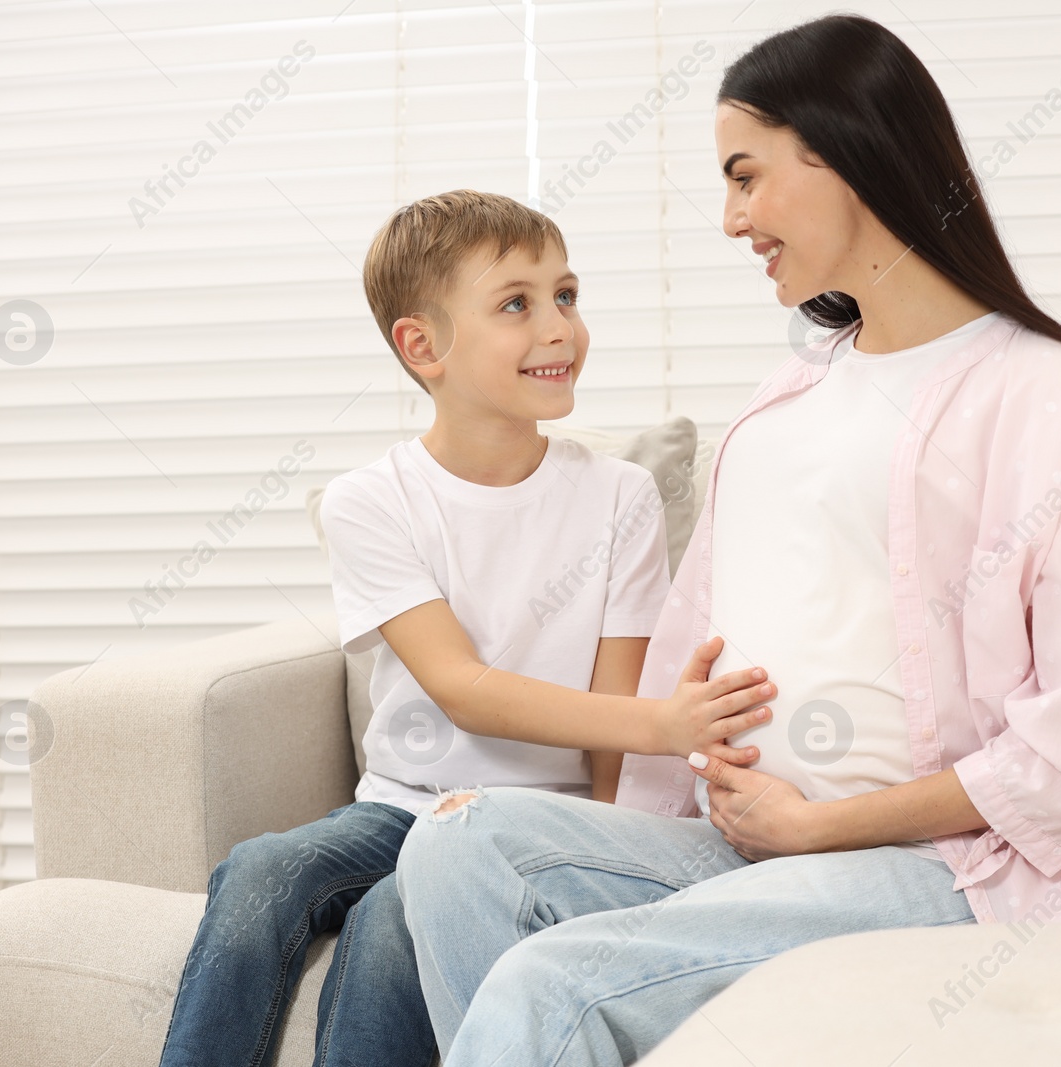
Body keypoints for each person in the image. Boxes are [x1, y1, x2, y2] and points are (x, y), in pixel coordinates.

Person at [393, 16, 1061, 1067]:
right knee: (452, 838)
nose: (732, 218)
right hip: (739, 847)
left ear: (844, 151)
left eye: (746, 175)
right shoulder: (784, 399)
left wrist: (813, 828)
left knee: (554, 979)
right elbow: (687, 655)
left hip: (939, 862)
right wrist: (685, 797)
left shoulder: (1043, 395)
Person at [155, 189, 775, 1067]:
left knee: (384, 926)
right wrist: (666, 725)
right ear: (423, 345)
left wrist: (599, 842)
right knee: (259, 868)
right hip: (404, 807)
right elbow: (461, 688)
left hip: (524, 826)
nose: (560, 326)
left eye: (567, 294)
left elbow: (614, 700)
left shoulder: (621, 497)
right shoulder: (371, 501)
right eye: (517, 303)